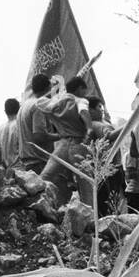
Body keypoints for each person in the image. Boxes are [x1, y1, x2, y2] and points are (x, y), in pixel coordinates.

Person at [39, 76, 107, 206]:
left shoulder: (57, 102)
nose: (85, 94)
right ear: (80, 89)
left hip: (62, 144)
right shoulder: (81, 100)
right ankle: (91, 217)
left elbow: (40, 103)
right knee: (86, 183)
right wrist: (88, 128)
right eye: (84, 90)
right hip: (78, 144)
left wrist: (58, 94)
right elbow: (83, 112)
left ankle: (36, 203)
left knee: (45, 177)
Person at [16, 73, 57, 172]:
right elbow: (39, 136)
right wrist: (61, 135)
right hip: (39, 163)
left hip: (27, 163)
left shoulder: (24, 105)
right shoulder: (38, 105)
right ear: (48, 88)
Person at [0, 97, 21, 167]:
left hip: (4, 168)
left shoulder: (0, 128)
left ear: (5, 111)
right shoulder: (20, 126)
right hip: (18, 167)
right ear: (19, 109)